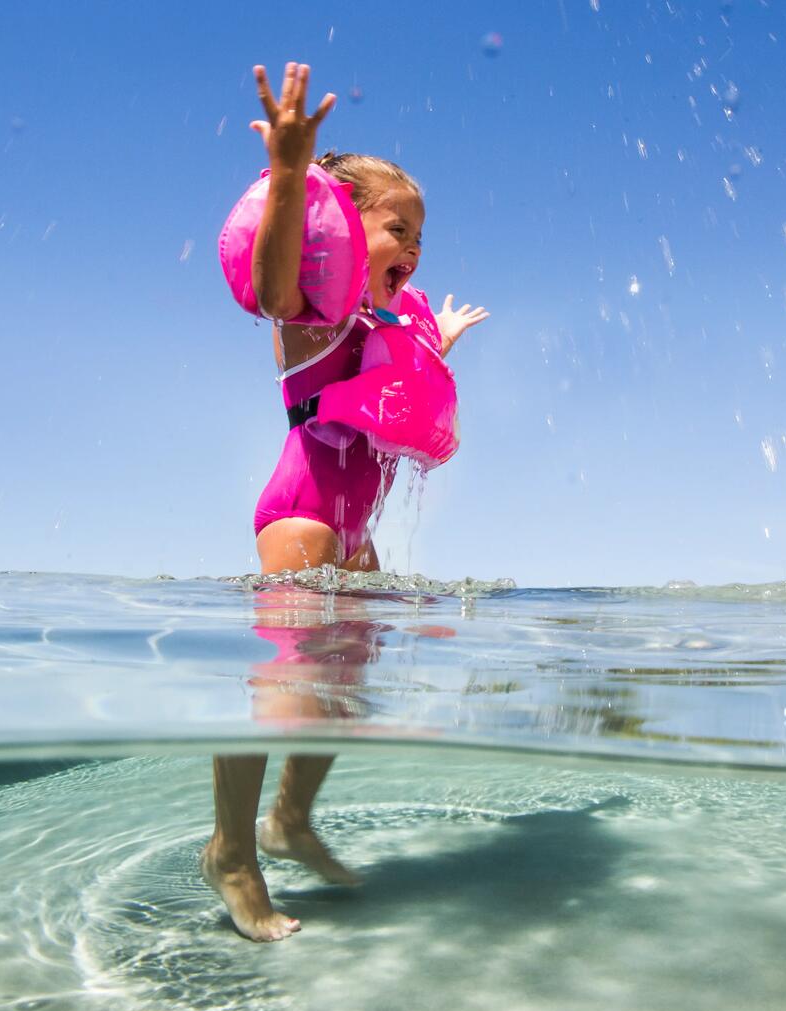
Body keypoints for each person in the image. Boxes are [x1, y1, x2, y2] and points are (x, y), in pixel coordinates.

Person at [201, 61, 489, 941]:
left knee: (343, 687)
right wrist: (292, 175)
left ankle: (291, 821)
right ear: (348, 233)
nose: (415, 248)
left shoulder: (379, 330)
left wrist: (430, 346)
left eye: (422, 240)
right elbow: (278, 269)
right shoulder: (314, 315)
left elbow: (394, 397)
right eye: (399, 230)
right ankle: (231, 852)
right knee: (288, 690)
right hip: (303, 516)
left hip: (351, 532)